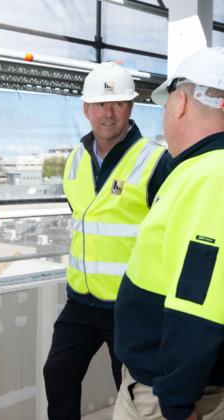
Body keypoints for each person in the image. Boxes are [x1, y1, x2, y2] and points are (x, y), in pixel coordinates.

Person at [42, 61, 171, 420]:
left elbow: (171, 232)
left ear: (130, 107)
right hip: (81, 301)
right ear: (86, 109)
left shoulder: (154, 160)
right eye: (100, 104)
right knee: (57, 373)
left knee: (130, 388)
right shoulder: (74, 161)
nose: (108, 113)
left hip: (131, 303)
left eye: (117, 104)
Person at [114, 47, 224, 420]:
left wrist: (177, 402)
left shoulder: (209, 176)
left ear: (179, 103)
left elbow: (197, 304)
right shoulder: (204, 170)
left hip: (173, 395)